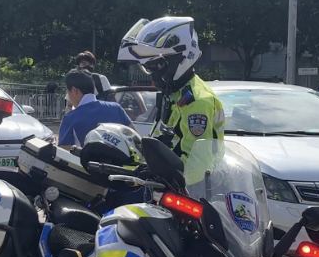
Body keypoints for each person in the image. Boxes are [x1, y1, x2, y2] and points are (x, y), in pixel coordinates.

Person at [117, 16, 224, 160]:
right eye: (147, 67)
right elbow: (164, 140)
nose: (152, 73)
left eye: (157, 65)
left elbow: (196, 163)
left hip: (191, 175)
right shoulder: (174, 93)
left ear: (180, 59)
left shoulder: (197, 102)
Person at [58, 68, 133, 149]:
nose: (68, 97)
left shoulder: (70, 118)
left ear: (74, 90)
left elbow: (64, 152)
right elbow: (135, 139)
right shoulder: (116, 108)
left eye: (67, 92)